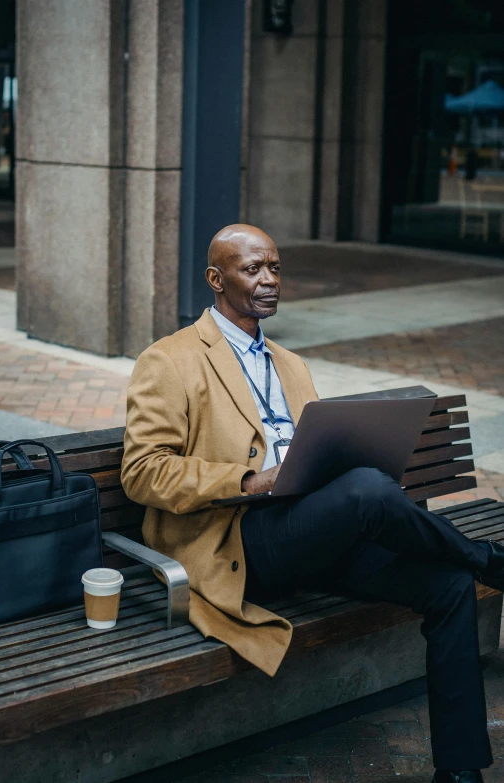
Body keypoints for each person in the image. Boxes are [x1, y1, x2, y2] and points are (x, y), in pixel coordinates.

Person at [122, 224, 504, 783]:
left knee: (446, 586)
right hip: (242, 543)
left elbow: (320, 452)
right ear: (215, 278)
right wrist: (250, 479)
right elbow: (142, 471)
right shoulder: (170, 360)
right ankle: (484, 556)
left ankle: (460, 771)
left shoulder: (291, 364)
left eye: (275, 267)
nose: (269, 280)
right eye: (253, 269)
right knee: (371, 491)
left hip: (313, 530)